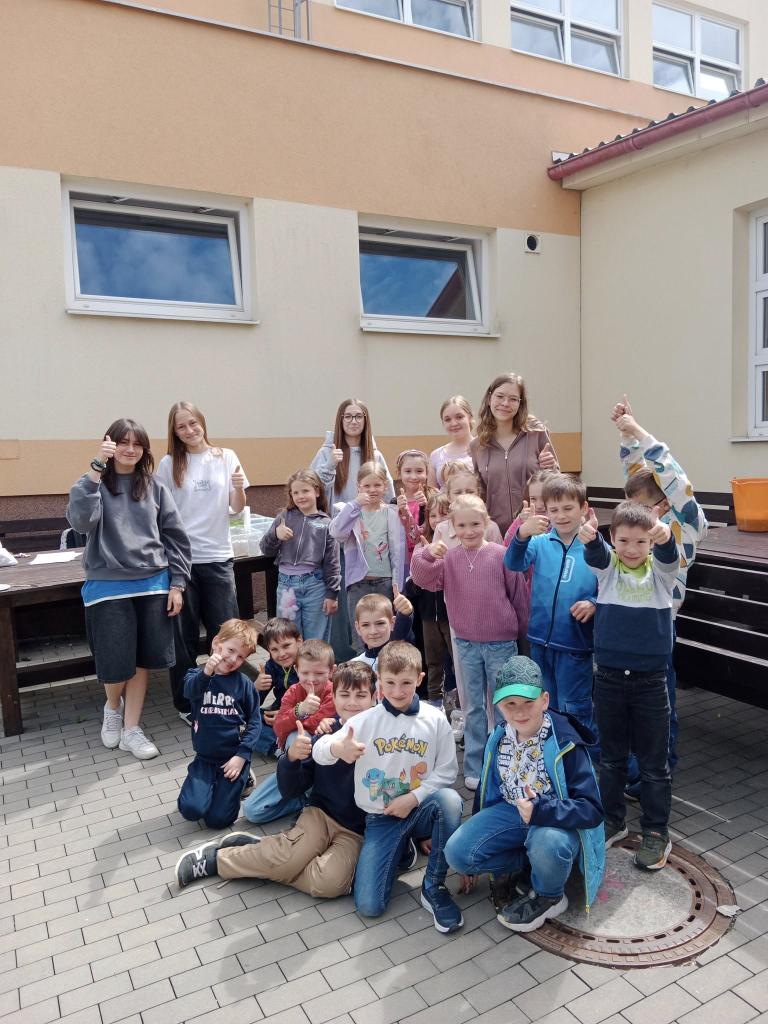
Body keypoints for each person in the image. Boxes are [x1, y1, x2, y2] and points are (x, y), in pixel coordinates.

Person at [174, 662, 376, 896]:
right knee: (289, 859)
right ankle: (215, 860)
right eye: (345, 695)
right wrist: (291, 759)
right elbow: (292, 790)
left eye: (361, 695)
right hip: (320, 815)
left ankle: (266, 853)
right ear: (335, 696)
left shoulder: (384, 738)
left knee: (328, 884)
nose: (352, 702)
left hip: (355, 831)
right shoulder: (325, 734)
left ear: (374, 698)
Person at [313, 641, 464, 932]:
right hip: (381, 818)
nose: (397, 691)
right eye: (390, 683)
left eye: (406, 682)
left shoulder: (435, 719)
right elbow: (320, 750)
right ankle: (401, 849)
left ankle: (434, 886)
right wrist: (337, 749)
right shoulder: (364, 720)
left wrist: (414, 798)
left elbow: (447, 771)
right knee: (369, 906)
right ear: (379, 680)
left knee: (450, 800)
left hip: (421, 809)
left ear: (419, 679)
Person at [444, 656, 604, 932]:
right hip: (511, 812)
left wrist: (541, 810)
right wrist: (476, 838)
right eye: (510, 704)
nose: (519, 712)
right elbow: (485, 790)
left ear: (544, 700)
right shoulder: (499, 736)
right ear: (498, 705)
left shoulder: (565, 742)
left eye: (528, 702)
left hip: (554, 822)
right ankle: (532, 863)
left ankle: (550, 895)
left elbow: (592, 810)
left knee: (548, 842)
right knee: (457, 853)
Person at [67, 419, 191, 760]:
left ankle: (131, 728)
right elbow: (80, 522)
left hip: (152, 584)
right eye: (123, 442)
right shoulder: (93, 483)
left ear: (144, 450)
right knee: (115, 660)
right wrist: (96, 467)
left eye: (138, 444)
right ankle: (112, 708)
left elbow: (176, 539)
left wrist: (177, 583)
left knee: (143, 659)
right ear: (110, 445)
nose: (130, 450)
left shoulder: (155, 487)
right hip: (107, 586)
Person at [612, 396, 707, 784]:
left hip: (658, 631)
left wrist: (640, 432)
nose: (631, 513)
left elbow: (676, 481)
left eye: (639, 507)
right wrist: (627, 437)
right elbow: (637, 473)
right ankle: (635, 771)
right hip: (626, 630)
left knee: (658, 706)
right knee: (630, 708)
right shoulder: (640, 527)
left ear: (665, 505)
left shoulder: (685, 525)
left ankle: (657, 771)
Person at [580, 501, 678, 871]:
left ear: (650, 543)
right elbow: (596, 555)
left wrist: (665, 537)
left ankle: (656, 831)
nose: (632, 549)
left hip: (651, 681)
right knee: (611, 759)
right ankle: (612, 820)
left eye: (641, 541)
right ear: (613, 539)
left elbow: (669, 556)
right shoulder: (608, 570)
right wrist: (590, 538)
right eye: (623, 541)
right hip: (608, 678)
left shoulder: (661, 574)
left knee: (654, 764)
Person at [411, 495, 529, 791]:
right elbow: (422, 578)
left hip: (501, 642)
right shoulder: (449, 558)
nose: (469, 531)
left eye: (475, 524)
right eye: (461, 526)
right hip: (465, 643)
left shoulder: (501, 554)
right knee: (473, 707)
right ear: (452, 527)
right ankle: (476, 766)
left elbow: (518, 596)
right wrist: (428, 554)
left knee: (504, 704)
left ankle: (507, 762)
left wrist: (522, 633)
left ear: (486, 522)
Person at [156, 401, 248, 724]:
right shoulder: (169, 464)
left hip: (218, 557)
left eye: (193, 423)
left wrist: (240, 490)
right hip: (181, 562)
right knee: (182, 638)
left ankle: (227, 696)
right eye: (181, 426)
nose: (189, 430)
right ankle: (186, 703)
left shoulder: (226, 457)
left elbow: (236, 507)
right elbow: (160, 511)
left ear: (202, 423)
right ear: (174, 432)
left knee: (227, 632)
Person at [504, 474, 598, 746]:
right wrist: (522, 533)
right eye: (554, 510)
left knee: (575, 708)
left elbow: (611, 585)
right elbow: (513, 563)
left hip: (575, 645)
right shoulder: (539, 542)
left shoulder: (594, 547)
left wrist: (594, 602)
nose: (561, 516)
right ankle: (553, 758)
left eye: (568, 508)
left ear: (584, 508)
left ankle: (582, 761)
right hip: (540, 643)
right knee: (546, 706)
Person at [311, 399, 395, 662]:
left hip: (371, 541)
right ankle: (345, 659)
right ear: (340, 420)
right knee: (344, 600)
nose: (353, 421)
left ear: (366, 421)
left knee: (370, 602)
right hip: (339, 537)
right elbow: (314, 491)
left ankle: (375, 657)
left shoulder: (374, 454)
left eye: (359, 416)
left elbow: (388, 496)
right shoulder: (328, 453)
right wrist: (329, 465)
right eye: (348, 416)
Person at [177, 619, 261, 828]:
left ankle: (243, 779)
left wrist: (241, 756)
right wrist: (207, 672)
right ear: (217, 643)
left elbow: (255, 722)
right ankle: (203, 787)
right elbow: (189, 692)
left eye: (241, 656)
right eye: (231, 650)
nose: (233, 659)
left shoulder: (244, 685)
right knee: (192, 809)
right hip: (205, 759)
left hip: (232, 759)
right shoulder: (196, 675)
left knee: (218, 820)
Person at [242, 638, 336, 824]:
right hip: (295, 766)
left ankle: (311, 794)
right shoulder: (293, 691)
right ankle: (306, 797)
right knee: (252, 811)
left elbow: (316, 727)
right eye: (305, 673)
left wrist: (293, 721)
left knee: (298, 736)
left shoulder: (334, 693)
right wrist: (300, 710)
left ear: (331, 671)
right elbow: (278, 727)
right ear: (296, 670)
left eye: (319, 673)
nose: (311, 679)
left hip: (322, 764)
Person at [470, 372, 558, 536]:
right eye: (500, 396)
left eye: (513, 399)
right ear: (489, 398)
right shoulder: (477, 445)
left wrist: (551, 467)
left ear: (520, 403)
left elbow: (557, 482)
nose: (505, 403)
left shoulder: (537, 434)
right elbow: (478, 492)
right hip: (495, 531)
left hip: (537, 528)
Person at [330, 462, 406, 651]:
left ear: (385, 486)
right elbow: (336, 532)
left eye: (377, 485)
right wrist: (354, 504)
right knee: (361, 636)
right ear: (358, 487)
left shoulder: (391, 513)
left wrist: (397, 584)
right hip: (359, 583)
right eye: (367, 485)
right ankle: (362, 668)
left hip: (385, 582)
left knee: (385, 633)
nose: (372, 490)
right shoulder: (351, 511)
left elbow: (397, 552)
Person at [259, 469, 340, 642]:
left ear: (317, 491)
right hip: (287, 587)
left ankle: (313, 661)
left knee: (315, 640)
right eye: (295, 492)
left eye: (305, 491)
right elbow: (266, 549)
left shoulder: (326, 523)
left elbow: (332, 562)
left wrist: (332, 594)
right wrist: (275, 534)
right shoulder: (284, 518)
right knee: (287, 637)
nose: (300, 496)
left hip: (315, 586)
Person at [403, 493, 453, 709]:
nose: (437, 520)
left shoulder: (455, 544)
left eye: (443, 514)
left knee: (456, 660)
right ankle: (435, 700)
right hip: (428, 613)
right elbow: (415, 582)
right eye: (433, 515)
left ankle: (457, 699)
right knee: (433, 659)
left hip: (450, 613)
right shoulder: (422, 546)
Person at [252, 617, 301, 756]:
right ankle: (279, 749)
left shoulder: (310, 664)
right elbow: (254, 702)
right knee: (245, 716)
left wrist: (288, 717)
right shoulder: (272, 666)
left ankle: (283, 747)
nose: (282, 654)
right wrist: (256, 687)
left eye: (286, 646)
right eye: (274, 649)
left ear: (299, 641)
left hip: (303, 717)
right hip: (278, 714)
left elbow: (320, 705)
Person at [352, 591, 414, 674]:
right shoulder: (352, 667)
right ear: (358, 628)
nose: (373, 631)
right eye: (365, 625)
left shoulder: (401, 658)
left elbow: (403, 632)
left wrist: (405, 614)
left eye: (380, 623)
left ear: (392, 623)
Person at [394, 449, 431, 575]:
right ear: (399, 473)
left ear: (427, 472)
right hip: (403, 563)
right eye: (408, 471)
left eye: (419, 471)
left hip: (427, 561)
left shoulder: (433, 498)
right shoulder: (394, 503)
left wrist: (425, 507)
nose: (414, 476)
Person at [428, 395, 475, 490]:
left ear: (469, 417)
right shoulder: (436, 455)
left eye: (459, 417)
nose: (454, 423)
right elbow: (431, 493)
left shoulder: (484, 449)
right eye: (448, 419)